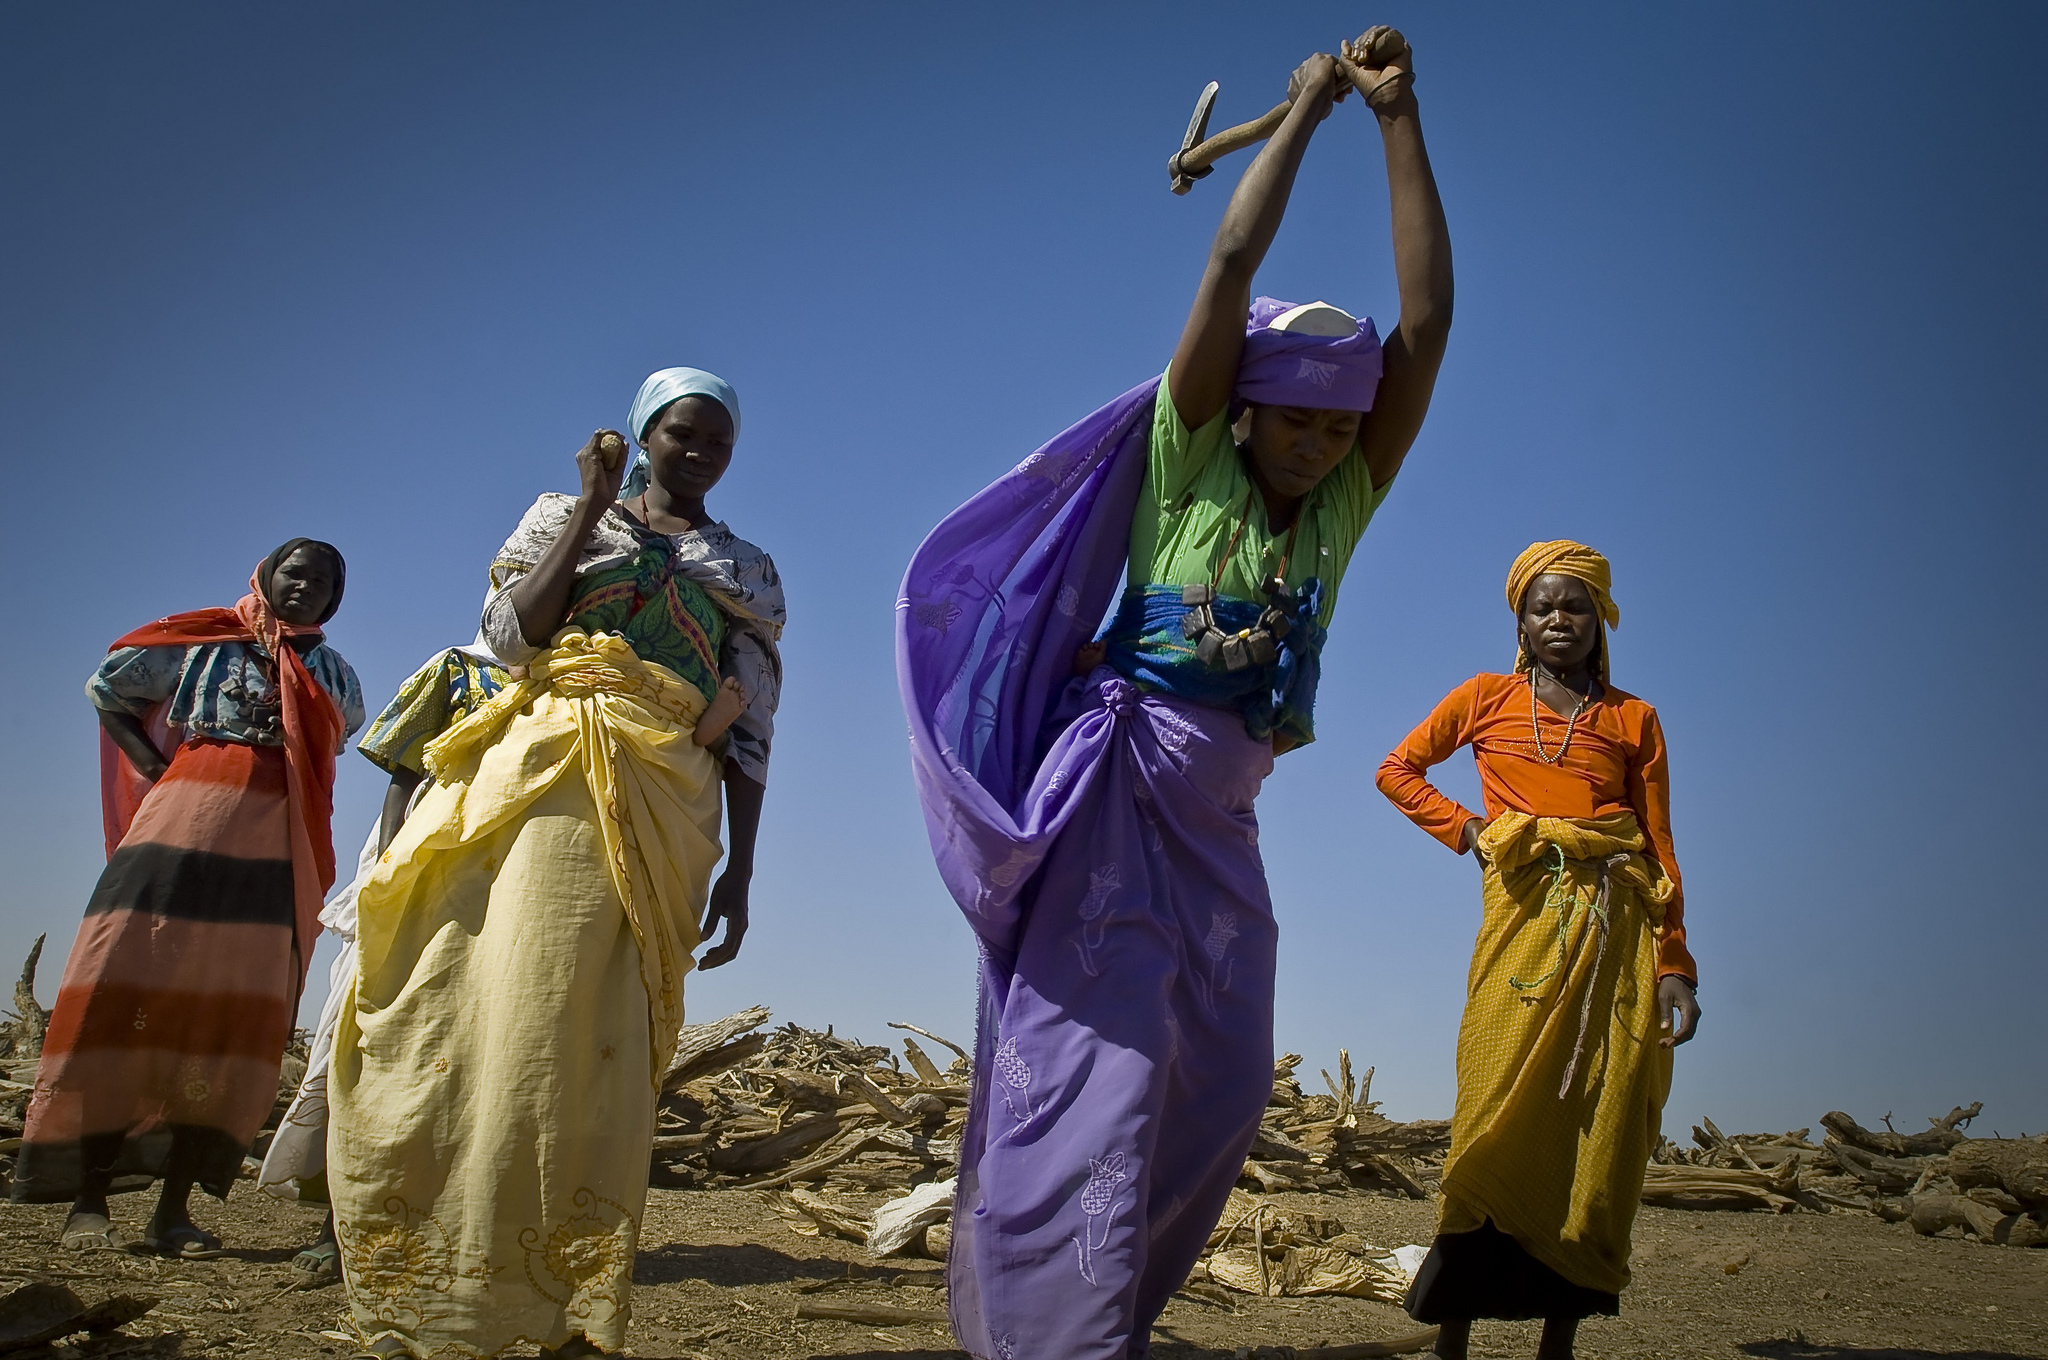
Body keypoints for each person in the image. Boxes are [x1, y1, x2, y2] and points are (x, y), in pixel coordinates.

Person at [898, 30, 1451, 1360]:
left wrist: (1400, 118)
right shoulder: (1192, 464)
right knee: (1101, 1077)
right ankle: (1061, 1339)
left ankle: (1094, 1316)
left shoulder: (1341, 510)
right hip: (1117, 800)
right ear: (1246, 414)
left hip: (1222, 834)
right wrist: (1309, 109)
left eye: (1340, 424)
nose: (1322, 442)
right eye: (1300, 419)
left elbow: (1425, 326)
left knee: (1217, 1090)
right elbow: (1229, 266)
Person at [327, 367, 782, 1360]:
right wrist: (587, 505)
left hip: (669, 795)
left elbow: (748, 734)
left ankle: (569, 1295)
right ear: (641, 434)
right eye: (679, 432)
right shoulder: (563, 518)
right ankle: (460, 1292)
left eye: (716, 439)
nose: (699, 450)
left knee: (605, 1047)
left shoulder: (745, 570)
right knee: (514, 1019)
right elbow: (509, 637)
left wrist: (742, 874)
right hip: (549, 774)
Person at [1374, 540, 1701, 1360]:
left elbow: (1660, 850)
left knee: (1600, 1117)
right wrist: (1472, 831)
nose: (1561, 619)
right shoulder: (1484, 698)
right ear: (1519, 622)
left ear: (1601, 621)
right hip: (1521, 926)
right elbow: (1397, 769)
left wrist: (1674, 966)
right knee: (1494, 1112)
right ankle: (1453, 1335)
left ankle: (1559, 1339)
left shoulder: (1635, 721)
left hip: (1618, 933)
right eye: (1543, 606)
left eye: (1576, 606)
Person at [14, 540, 363, 1259]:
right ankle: (88, 1197)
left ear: (335, 598)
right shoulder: (204, 644)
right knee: (126, 988)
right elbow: (106, 690)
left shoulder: (333, 674)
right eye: (295, 573)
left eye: (323, 582)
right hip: (179, 833)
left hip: (273, 849)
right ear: (267, 576)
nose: (306, 587)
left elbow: (336, 736)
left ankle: (172, 1211)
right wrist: (156, 768)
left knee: (225, 1018)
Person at [258, 644, 512, 1285]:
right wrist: (391, 864)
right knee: (368, 1034)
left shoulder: (587, 682)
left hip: (506, 877)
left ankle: (439, 1229)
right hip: (421, 855)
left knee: (459, 1054)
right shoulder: (459, 668)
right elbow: (403, 770)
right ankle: (338, 1226)